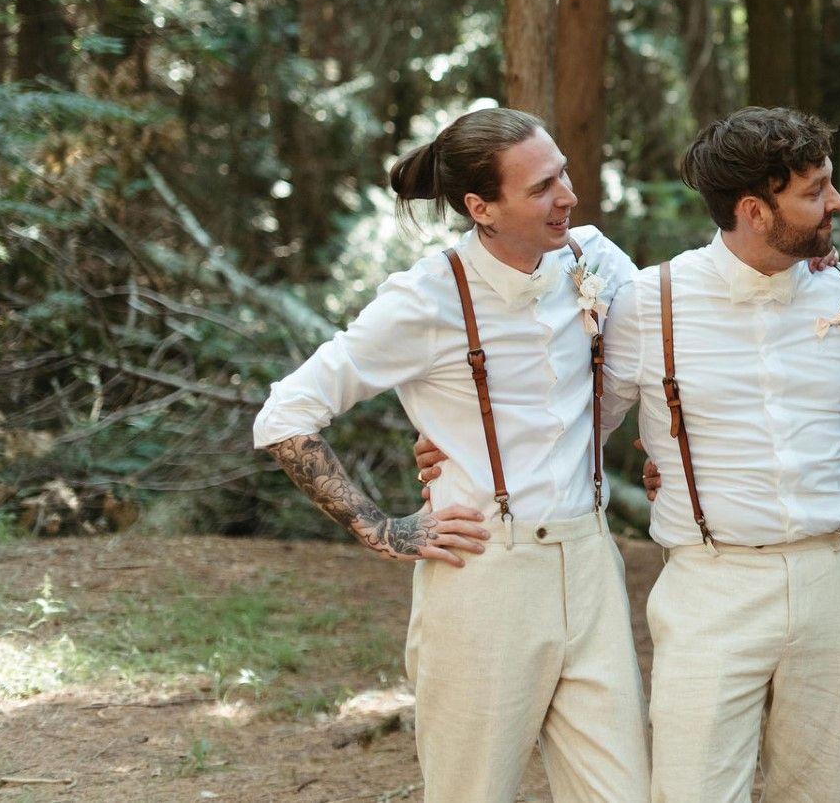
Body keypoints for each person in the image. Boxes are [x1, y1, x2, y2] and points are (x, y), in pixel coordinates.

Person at [253, 106, 648, 803]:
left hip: (591, 562)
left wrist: (817, 263)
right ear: (481, 208)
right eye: (541, 187)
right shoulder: (426, 299)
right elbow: (285, 413)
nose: (568, 196)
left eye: (562, 174)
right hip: (485, 575)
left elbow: (678, 327)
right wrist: (380, 527)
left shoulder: (596, 260)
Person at [612, 106, 840, 803]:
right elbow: (574, 426)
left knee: (821, 792)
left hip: (838, 580)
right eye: (815, 191)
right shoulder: (649, 302)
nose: (836, 202)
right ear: (755, 211)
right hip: (712, 586)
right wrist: (449, 443)